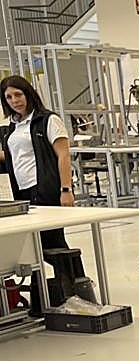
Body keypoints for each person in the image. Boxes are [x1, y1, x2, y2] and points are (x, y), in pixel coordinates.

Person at [0, 75, 74, 252]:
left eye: (18, 94)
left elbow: (64, 155)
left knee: (52, 241)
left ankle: (71, 270)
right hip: (21, 190)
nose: (14, 101)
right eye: (8, 97)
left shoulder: (48, 120)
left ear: (28, 94)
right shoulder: (13, 126)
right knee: (33, 243)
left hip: (44, 189)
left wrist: (66, 190)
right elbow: (14, 157)